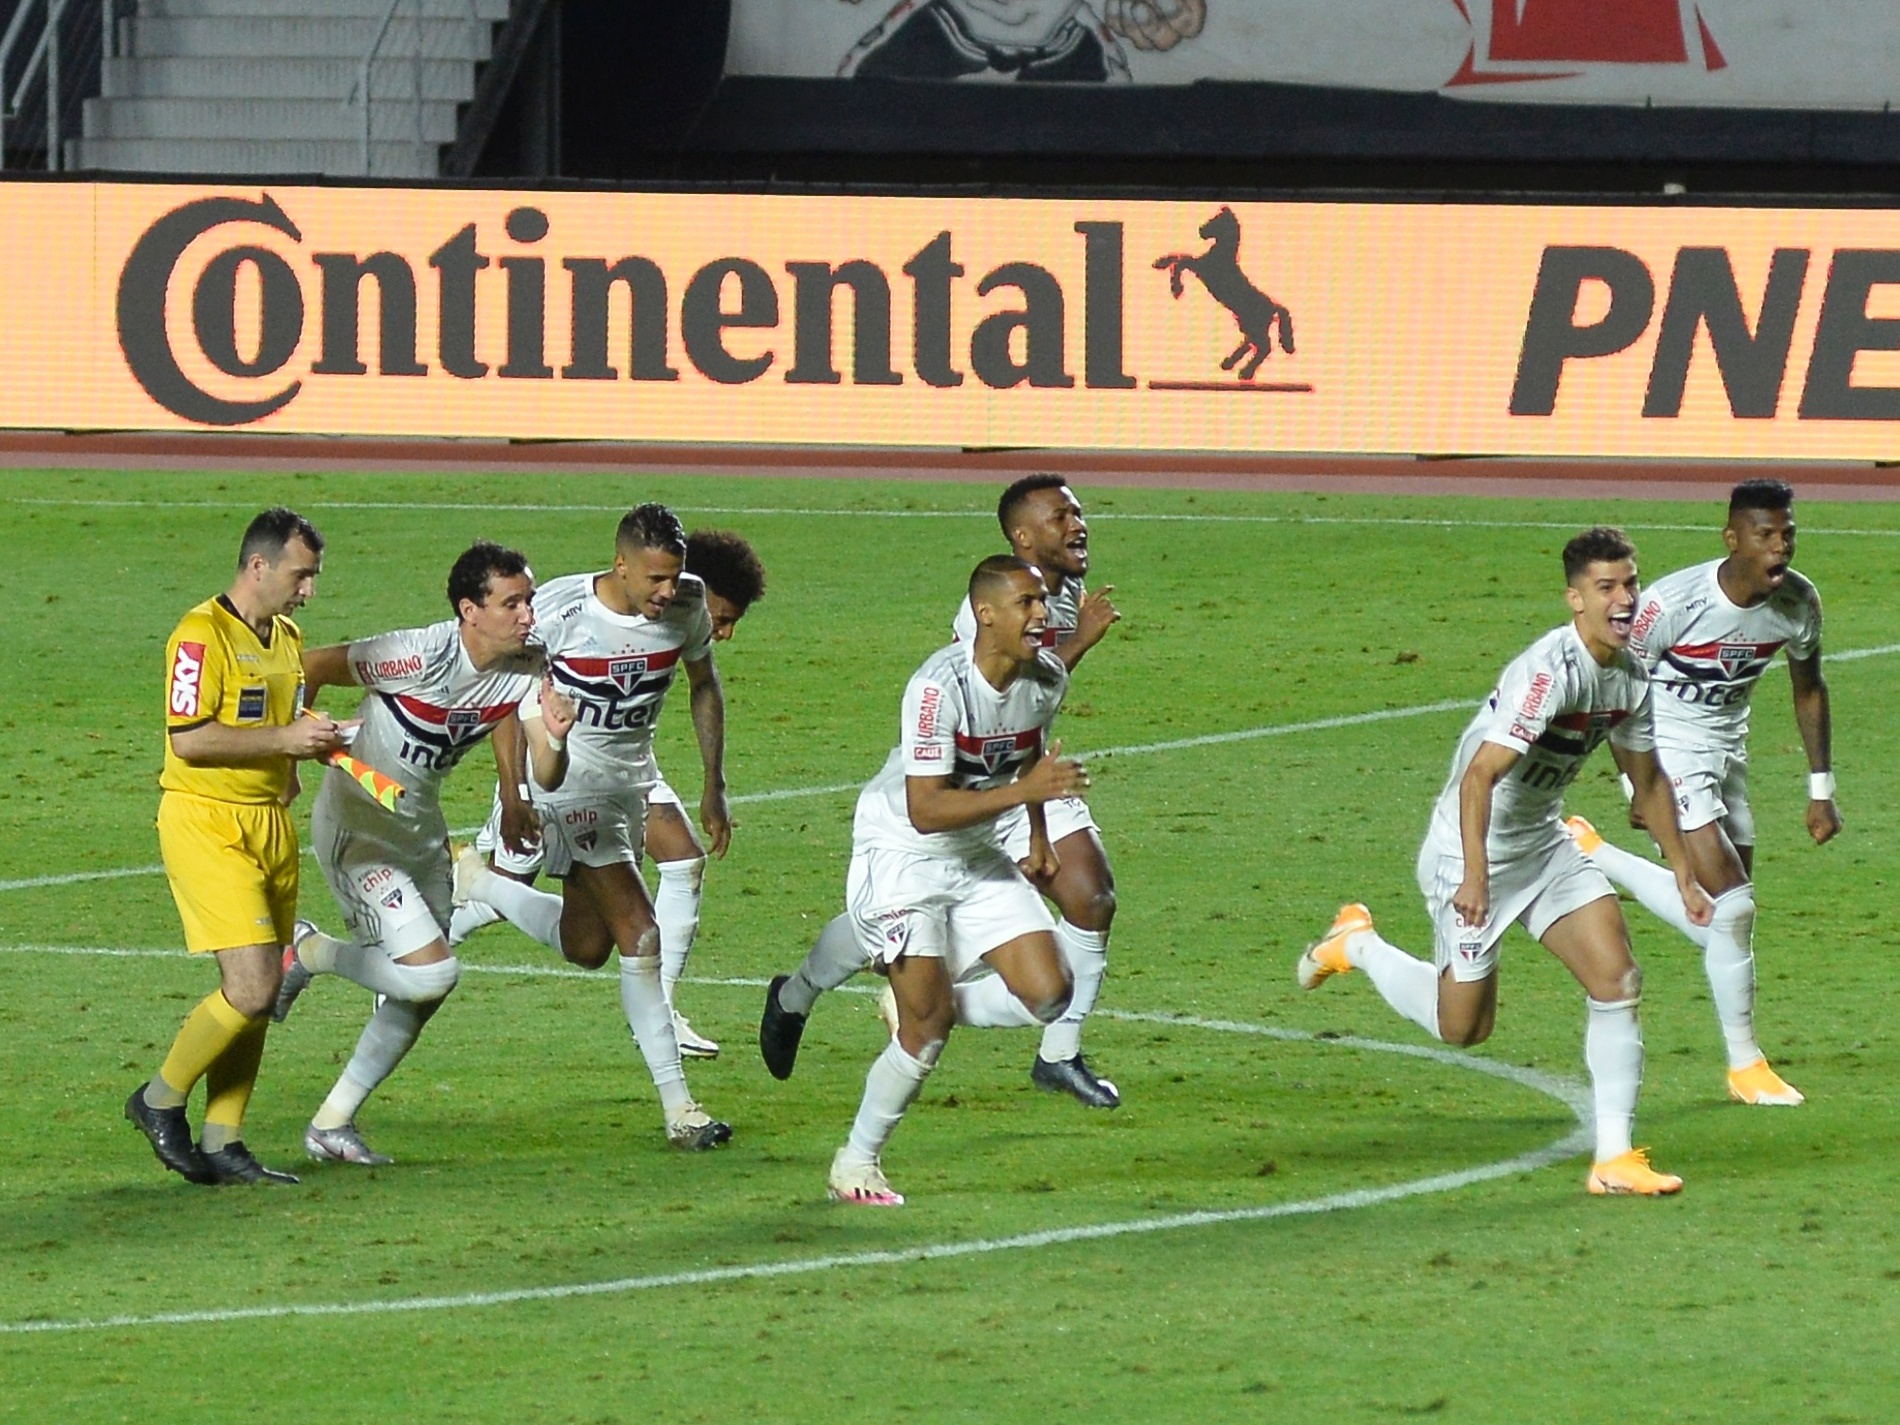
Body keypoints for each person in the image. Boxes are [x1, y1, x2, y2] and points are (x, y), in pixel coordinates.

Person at [1297, 527, 1712, 1196]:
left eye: (1630, 583)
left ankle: (1613, 1158)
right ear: (1575, 598)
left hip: (1543, 845)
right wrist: (1474, 877)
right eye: (1606, 587)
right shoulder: (1549, 673)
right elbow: (1479, 778)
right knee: (1464, 1026)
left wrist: (1686, 873)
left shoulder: (1630, 673)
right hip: (1473, 848)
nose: (1624, 598)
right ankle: (1361, 944)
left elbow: (1649, 779)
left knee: (1618, 978)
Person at [758, 474, 1124, 1107]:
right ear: (1023, 537)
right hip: (955, 784)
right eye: (1062, 516)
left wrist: (1037, 821)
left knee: (1092, 897)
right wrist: (1080, 640)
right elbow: (986, 695)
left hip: (1019, 774)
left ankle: (1057, 1053)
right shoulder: (982, 620)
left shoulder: (1060, 594)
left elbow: (1030, 707)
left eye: (1078, 512)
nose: (1078, 525)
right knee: (890, 925)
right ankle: (800, 994)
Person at [766, 555, 1088, 1206]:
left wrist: (1037, 832)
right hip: (903, 850)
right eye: (1026, 602)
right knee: (927, 1027)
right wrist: (1026, 792)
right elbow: (924, 807)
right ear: (985, 614)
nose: (1041, 613)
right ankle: (855, 1164)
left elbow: (1028, 751)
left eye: (1041, 602)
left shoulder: (1046, 677)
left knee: (1051, 992)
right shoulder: (937, 687)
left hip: (972, 847)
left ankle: (906, 995)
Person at [272, 541, 574, 1166]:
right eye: (511, 603)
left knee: (424, 991)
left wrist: (527, 780)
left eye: (530, 600)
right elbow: (305, 666)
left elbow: (521, 733)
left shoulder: (529, 662)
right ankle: (307, 951)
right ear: (470, 609)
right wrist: (293, 743)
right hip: (357, 833)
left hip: (420, 833)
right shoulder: (411, 654)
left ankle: (332, 1123)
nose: (527, 615)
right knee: (433, 972)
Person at [444, 506, 735, 1149]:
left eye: (675, 576)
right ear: (621, 564)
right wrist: (516, 792)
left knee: (586, 946)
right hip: (567, 780)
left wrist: (713, 783)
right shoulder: (560, 610)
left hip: (633, 782)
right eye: (655, 578)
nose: (667, 590)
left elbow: (704, 684)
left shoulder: (686, 606)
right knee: (640, 930)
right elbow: (500, 689)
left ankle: (481, 885)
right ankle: (680, 1108)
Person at [1564, 480, 1836, 1106]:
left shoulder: (1798, 602)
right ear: (1733, 539)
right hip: (1666, 750)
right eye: (1766, 535)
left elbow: (1810, 687)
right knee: (1734, 909)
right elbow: (1619, 682)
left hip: (1725, 754)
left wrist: (1820, 788)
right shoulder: (1673, 603)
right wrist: (1639, 781)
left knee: (1722, 919)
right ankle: (1745, 1064)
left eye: (1788, 533)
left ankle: (1594, 854)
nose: (1781, 547)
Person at [128, 507, 350, 1186]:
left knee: (263, 984)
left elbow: (282, 718)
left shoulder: (285, 635)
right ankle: (160, 1098)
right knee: (252, 986)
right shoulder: (199, 636)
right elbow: (188, 738)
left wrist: (313, 742)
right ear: (259, 566)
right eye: (300, 573)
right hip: (207, 821)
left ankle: (225, 1140)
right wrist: (284, 743)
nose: (308, 588)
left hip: (268, 825)